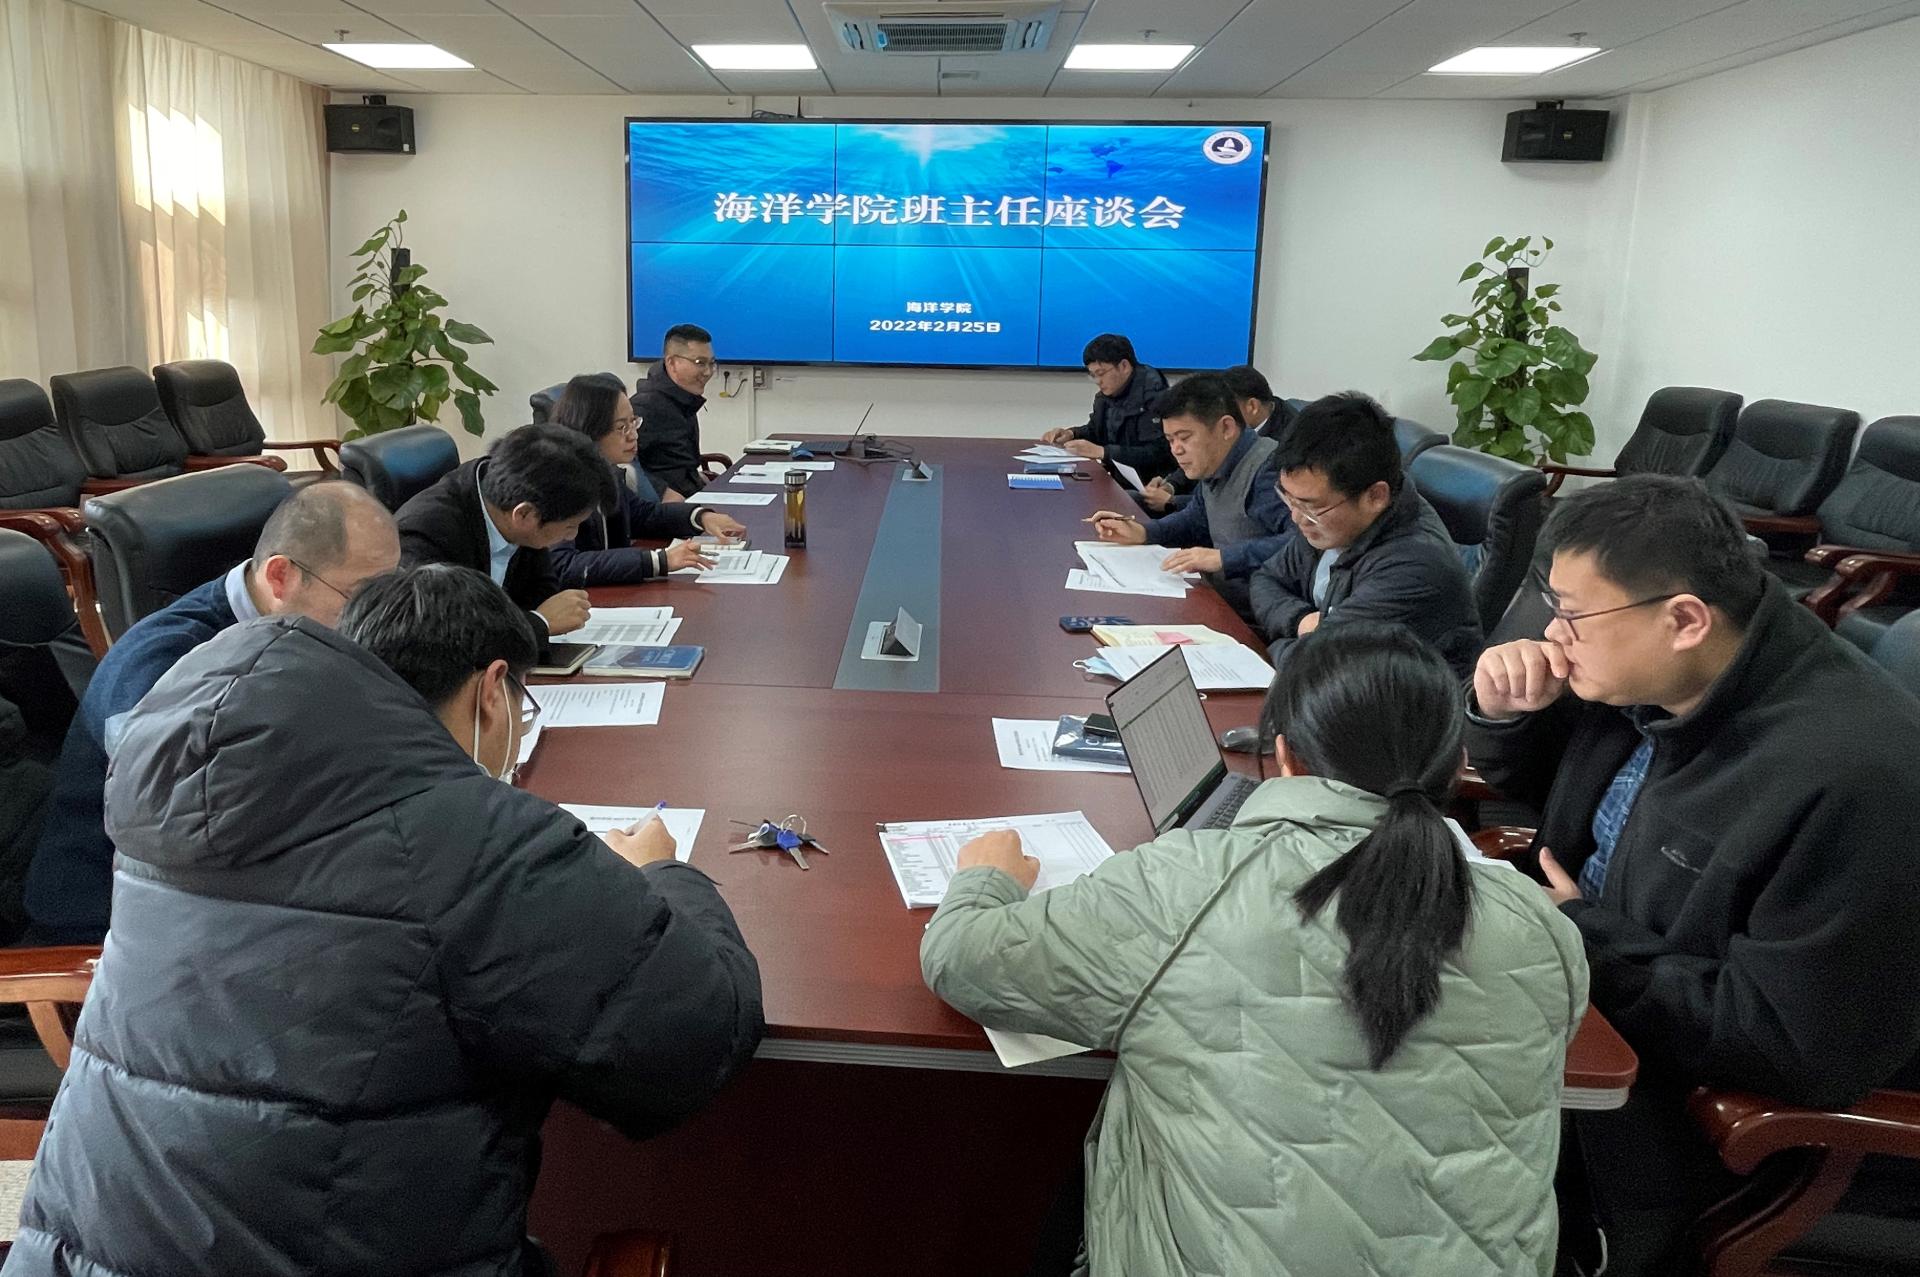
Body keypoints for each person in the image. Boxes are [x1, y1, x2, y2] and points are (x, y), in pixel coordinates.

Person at [5, 564, 765, 1276]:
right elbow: (691, 1042)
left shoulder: (176, 789)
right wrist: (664, 874)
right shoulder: (481, 842)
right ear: (492, 692)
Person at [921, 624, 1588, 1277]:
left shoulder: (1185, 884)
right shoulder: (1535, 922)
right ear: (1452, 762)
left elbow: (962, 958)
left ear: (1287, 755)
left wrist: (986, 878)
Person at [1465, 475, 1920, 1277]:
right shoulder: (1651, 673)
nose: (1554, 634)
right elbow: (1554, 794)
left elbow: (1786, 1043)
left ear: (1684, 619)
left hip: (1685, 1116)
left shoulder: (1856, 777)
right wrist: (1504, 712)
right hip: (1587, 1003)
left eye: (1572, 615)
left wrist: (1578, 931)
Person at [21, 480, 399, 944]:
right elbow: (188, 826)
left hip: (224, 897)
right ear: (280, 577)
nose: (377, 617)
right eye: (360, 596)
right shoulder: (160, 663)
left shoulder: (306, 627)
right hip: (106, 924)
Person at [1248, 392, 1481, 677]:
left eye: (1309, 506)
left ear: (1376, 496)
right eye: (1289, 499)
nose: (1296, 518)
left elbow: (1314, 663)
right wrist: (1300, 621)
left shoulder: (1414, 569)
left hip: (1396, 702)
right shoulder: (1331, 517)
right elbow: (1265, 579)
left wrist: (1272, 644)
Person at [1086, 373, 1292, 622]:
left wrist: (1223, 558)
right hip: (1220, 601)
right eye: (1170, 440)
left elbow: (1298, 544)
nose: (1176, 450)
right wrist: (1144, 532)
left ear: (1226, 428)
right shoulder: (1217, 461)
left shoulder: (1267, 469)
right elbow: (1195, 518)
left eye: (1185, 438)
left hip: (1256, 618)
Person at [395, 421, 613, 642]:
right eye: (570, 526)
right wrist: (539, 623)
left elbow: (542, 592)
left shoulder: (522, 496)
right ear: (524, 514)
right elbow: (443, 633)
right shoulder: (424, 535)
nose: (572, 536)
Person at [547, 373, 746, 585]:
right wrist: (658, 561)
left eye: (633, 422)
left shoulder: (605, 471)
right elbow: (563, 565)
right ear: (589, 430)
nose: (634, 435)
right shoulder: (557, 484)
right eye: (622, 427)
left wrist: (700, 518)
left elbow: (643, 515)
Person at [1040, 334, 1174, 485]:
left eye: (1101, 373)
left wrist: (1103, 452)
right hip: (1118, 479)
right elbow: (1096, 431)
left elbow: (1157, 452)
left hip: (1150, 485)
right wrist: (1071, 434)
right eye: (1093, 375)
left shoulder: (1154, 395)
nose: (1098, 381)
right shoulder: (1106, 395)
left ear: (1124, 366)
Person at [632, 322, 719, 496]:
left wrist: (694, 477)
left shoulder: (684, 399)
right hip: (669, 506)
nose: (708, 372)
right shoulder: (645, 408)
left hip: (691, 494)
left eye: (711, 363)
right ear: (672, 363)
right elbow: (621, 465)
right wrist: (661, 491)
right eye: (700, 363)